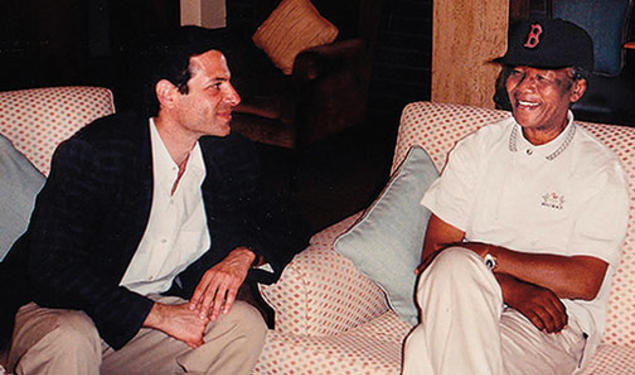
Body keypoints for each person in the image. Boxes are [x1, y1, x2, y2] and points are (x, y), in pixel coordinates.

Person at [0, 26, 309, 375]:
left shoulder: (228, 155)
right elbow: (52, 267)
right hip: (57, 312)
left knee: (242, 324)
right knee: (72, 339)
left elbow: (290, 219)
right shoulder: (99, 153)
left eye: (230, 82)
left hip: (146, 317)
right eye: (216, 86)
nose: (235, 97)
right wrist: (159, 316)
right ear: (168, 94)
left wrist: (243, 255)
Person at [402, 19, 629, 375]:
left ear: (577, 88)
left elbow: (584, 281)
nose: (524, 87)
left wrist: (485, 254)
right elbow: (435, 255)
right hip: (473, 299)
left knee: (423, 348)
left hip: (554, 321)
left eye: (542, 77)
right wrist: (512, 289)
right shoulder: (478, 148)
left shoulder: (598, 169)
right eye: (518, 72)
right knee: (453, 265)